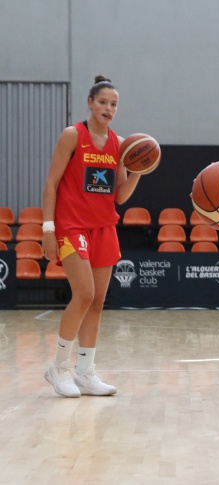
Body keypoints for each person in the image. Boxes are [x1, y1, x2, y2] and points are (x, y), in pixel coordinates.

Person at [41, 75, 143, 398]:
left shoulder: (120, 144)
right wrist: (48, 229)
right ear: (90, 102)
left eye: (113, 104)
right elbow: (51, 184)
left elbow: (120, 196)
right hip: (72, 225)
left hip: (103, 227)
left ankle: (85, 372)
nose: (108, 108)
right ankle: (58, 367)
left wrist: (139, 169)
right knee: (83, 293)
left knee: (97, 302)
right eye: (103, 102)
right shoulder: (73, 135)